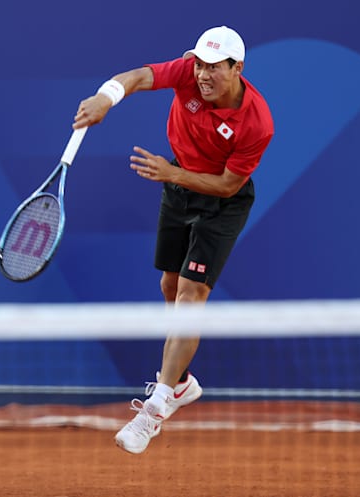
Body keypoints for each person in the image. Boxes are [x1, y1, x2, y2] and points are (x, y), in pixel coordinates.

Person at [72, 26, 274, 454]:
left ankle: (156, 408)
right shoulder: (188, 74)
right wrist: (106, 99)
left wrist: (172, 174)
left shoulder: (256, 121)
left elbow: (226, 185)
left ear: (237, 69)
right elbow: (139, 77)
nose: (202, 74)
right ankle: (181, 383)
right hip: (178, 188)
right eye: (199, 63)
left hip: (220, 203)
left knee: (190, 293)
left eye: (213, 67)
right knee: (169, 286)